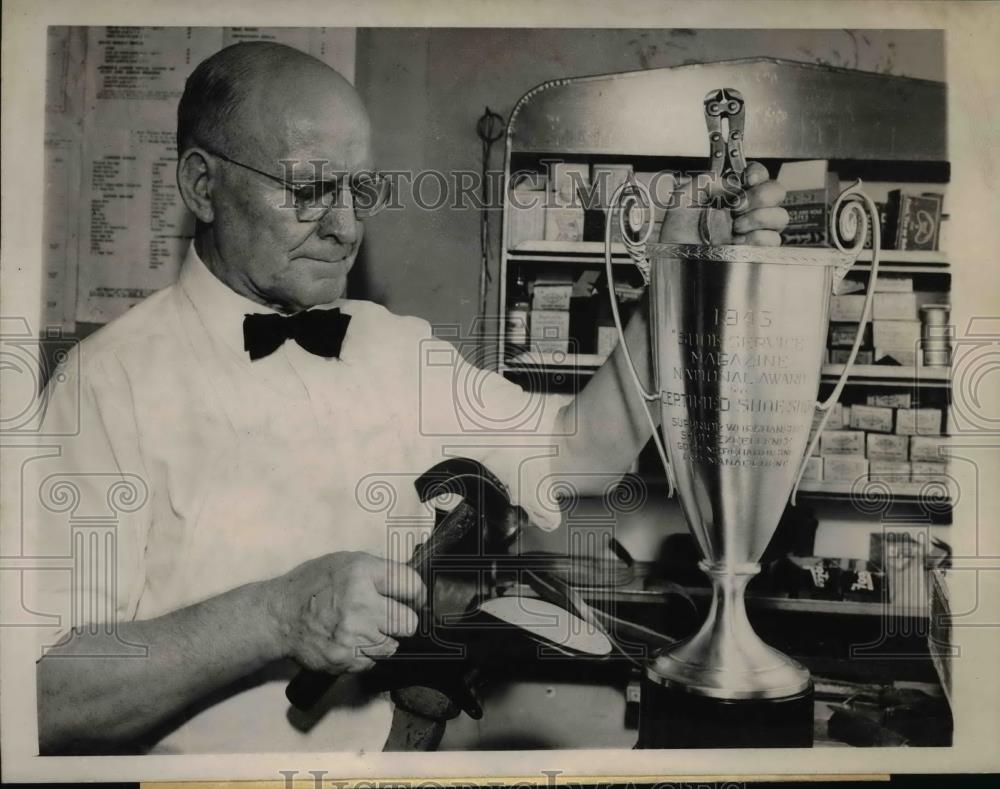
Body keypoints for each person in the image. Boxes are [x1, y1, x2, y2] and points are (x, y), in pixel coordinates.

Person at [31, 41, 788, 754]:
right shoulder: (107, 385)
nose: (345, 226)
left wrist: (679, 270)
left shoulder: (391, 349)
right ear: (202, 184)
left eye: (361, 189)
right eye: (309, 187)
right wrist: (273, 614)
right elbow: (40, 693)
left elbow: (575, 455)